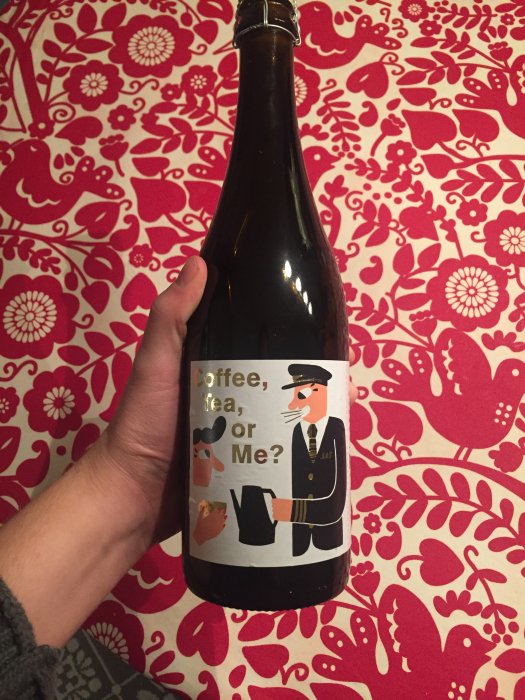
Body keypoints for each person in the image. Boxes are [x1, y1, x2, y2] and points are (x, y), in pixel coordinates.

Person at [0, 257, 358, 698]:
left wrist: (282, 508)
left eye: (308, 393)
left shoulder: (323, 432)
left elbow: (329, 499)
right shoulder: (299, 433)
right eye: (297, 393)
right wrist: (131, 470)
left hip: (314, 543)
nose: (300, 402)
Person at [272, 364, 348, 557]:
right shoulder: (296, 431)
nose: (292, 406)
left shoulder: (336, 428)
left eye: (300, 396)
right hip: (298, 543)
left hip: (329, 540)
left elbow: (337, 500)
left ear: (318, 391)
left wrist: (293, 511)